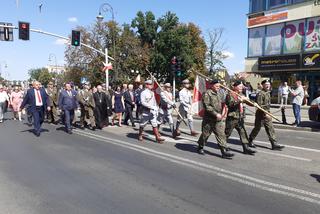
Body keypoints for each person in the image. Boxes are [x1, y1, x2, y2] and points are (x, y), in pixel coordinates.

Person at [197, 80, 234, 158]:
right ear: (212, 86)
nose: (218, 87)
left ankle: (223, 151)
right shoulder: (207, 93)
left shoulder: (218, 93)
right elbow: (207, 106)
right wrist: (215, 113)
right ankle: (200, 146)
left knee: (221, 134)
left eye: (219, 86)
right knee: (205, 134)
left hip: (218, 119)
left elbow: (223, 102)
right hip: (209, 119)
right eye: (217, 86)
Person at [248, 80, 284, 150]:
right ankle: (250, 140)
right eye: (266, 84)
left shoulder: (268, 93)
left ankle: (274, 144)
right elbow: (260, 106)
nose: (268, 86)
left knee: (270, 128)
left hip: (267, 113)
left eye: (269, 84)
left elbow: (267, 105)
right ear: (263, 85)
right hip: (260, 114)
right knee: (257, 128)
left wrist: (268, 113)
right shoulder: (261, 94)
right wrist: (266, 114)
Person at [225, 80, 256, 155]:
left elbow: (247, 101)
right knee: (227, 133)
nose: (241, 88)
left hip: (240, 117)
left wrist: (253, 103)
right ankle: (223, 146)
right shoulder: (230, 94)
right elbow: (230, 104)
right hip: (232, 117)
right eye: (240, 86)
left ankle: (246, 148)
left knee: (243, 132)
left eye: (242, 87)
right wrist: (239, 100)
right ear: (235, 87)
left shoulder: (241, 94)